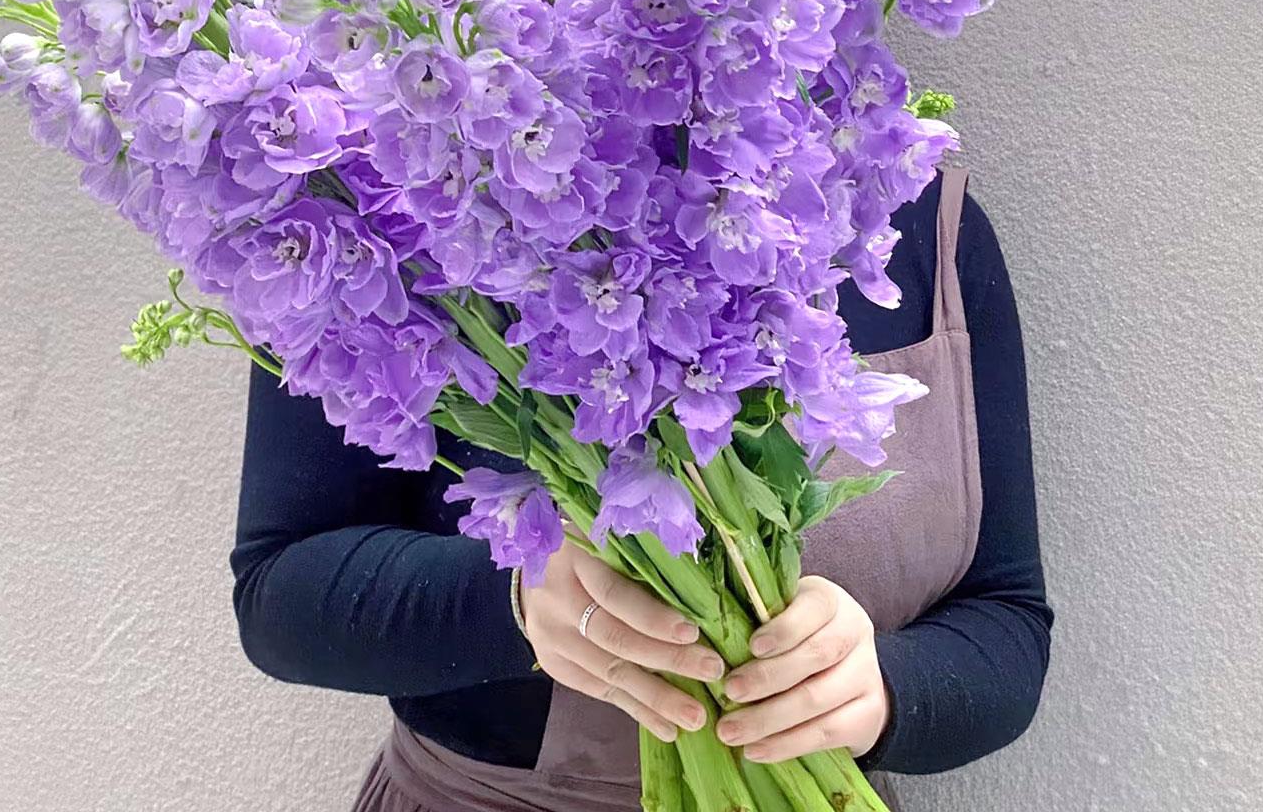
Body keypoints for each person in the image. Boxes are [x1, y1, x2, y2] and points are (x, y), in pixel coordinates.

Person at [231, 166, 1052, 810]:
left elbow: (1007, 623)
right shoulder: (391, 212)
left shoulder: (917, 219)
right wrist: (514, 600)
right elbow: (279, 594)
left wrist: (883, 689)